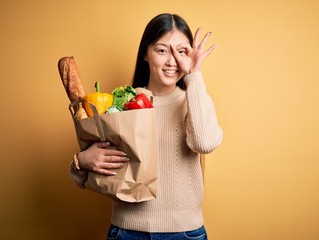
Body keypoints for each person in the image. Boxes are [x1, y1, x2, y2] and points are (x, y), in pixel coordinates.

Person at [69, 13, 223, 240]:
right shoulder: (118, 104)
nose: (172, 61)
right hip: (126, 232)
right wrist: (81, 161)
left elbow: (204, 143)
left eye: (181, 52)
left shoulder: (196, 99)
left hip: (185, 234)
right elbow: (85, 175)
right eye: (162, 50)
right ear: (146, 54)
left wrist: (194, 76)